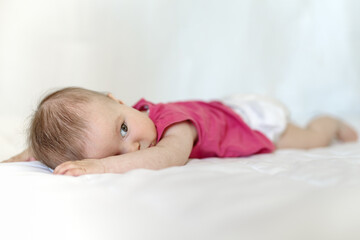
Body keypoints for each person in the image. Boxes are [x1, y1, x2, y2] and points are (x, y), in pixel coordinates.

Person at [2, 87, 358, 176]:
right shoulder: (129, 121)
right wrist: (27, 154)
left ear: (119, 100)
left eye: (124, 129)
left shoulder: (174, 128)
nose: (137, 146)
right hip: (222, 110)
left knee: (310, 139)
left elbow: (168, 157)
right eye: (116, 153)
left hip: (252, 121)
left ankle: (330, 120)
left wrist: (103, 166)